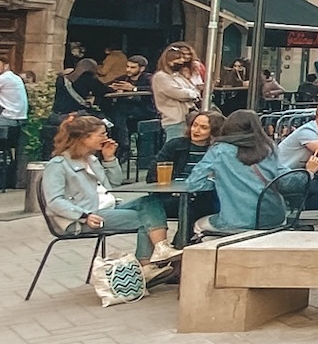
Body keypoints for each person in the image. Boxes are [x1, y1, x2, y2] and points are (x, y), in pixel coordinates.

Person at [41, 115, 179, 267]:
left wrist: (109, 159)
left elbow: (113, 184)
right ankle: (146, 264)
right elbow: (54, 201)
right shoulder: (58, 165)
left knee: (151, 201)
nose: (106, 138)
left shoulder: (91, 160)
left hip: (109, 207)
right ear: (83, 137)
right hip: (86, 215)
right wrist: (83, 215)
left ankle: (160, 249)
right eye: (101, 134)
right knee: (145, 220)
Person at [186, 110, 299, 231]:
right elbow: (283, 177)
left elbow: (194, 184)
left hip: (236, 220)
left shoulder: (219, 150)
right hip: (274, 217)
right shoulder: (268, 147)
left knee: (199, 225)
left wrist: (219, 182)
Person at [147, 109, 222, 183]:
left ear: (214, 131)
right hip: (174, 191)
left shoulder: (219, 150)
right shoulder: (175, 145)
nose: (196, 130)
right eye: (194, 125)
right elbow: (152, 173)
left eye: (204, 128)